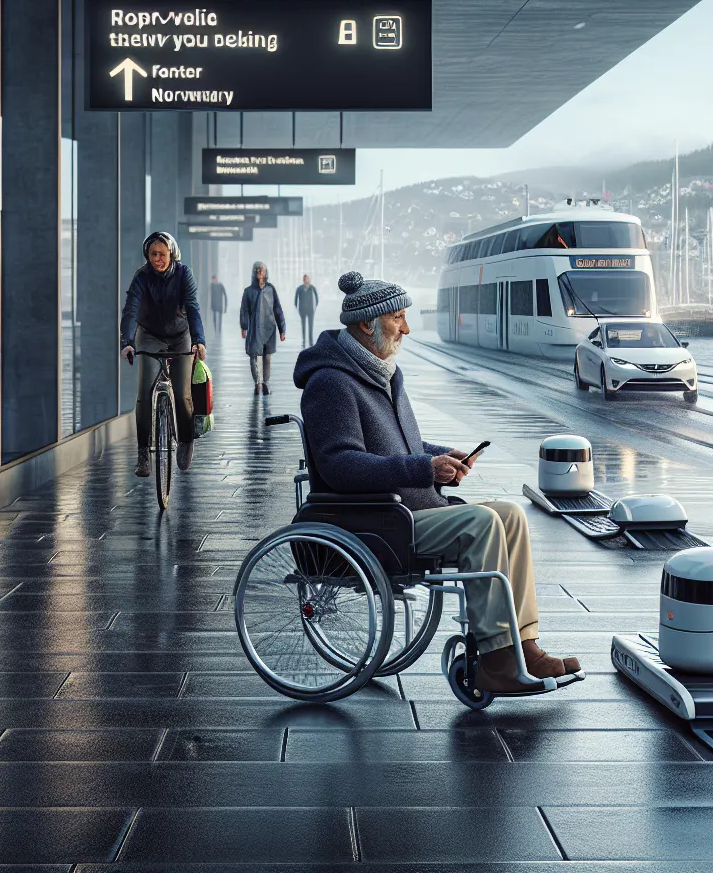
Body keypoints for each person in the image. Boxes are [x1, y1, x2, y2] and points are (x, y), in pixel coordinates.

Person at [295, 271, 580, 693]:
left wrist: (439, 455)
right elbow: (341, 465)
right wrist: (423, 469)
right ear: (364, 324)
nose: (407, 328)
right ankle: (497, 660)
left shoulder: (381, 373)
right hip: (380, 521)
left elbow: (402, 443)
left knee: (511, 516)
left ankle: (525, 646)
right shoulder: (331, 383)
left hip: (411, 507)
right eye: (397, 318)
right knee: (482, 524)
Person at [120, 231, 205, 476]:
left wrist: (199, 341)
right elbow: (131, 311)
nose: (158, 258)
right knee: (144, 394)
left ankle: (186, 441)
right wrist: (127, 342)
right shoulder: (142, 277)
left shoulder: (183, 274)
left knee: (182, 395)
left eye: (162, 254)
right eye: (153, 254)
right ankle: (143, 454)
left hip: (181, 337)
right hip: (149, 336)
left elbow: (192, 307)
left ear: (172, 255)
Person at [239, 261, 285, 394]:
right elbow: (244, 310)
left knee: (267, 357)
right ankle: (257, 382)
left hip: (269, 328)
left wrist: (282, 329)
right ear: (254, 273)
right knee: (253, 355)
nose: (260, 273)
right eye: (257, 271)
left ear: (266, 273)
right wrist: (244, 327)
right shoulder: (248, 291)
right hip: (254, 328)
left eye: (262, 271)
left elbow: (277, 309)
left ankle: (265, 382)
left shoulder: (271, 289)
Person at [294, 273, 319, 343]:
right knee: (303, 325)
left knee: (310, 326)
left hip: (311, 310)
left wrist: (314, 307)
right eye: (305, 279)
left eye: (308, 279)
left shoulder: (312, 288)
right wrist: (298, 309)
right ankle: (304, 340)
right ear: (303, 280)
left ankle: (311, 340)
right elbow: (295, 300)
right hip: (302, 310)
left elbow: (317, 299)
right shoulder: (299, 288)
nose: (307, 280)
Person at [209, 275, 228, 339]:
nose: (213, 281)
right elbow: (208, 295)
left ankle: (219, 332)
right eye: (212, 280)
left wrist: (225, 307)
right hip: (214, 305)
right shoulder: (212, 286)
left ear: (216, 279)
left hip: (219, 306)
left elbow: (225, 296)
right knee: (214, 319)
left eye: (214, 279)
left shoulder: (220, 286)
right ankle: (215, 331)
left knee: (219, 320)